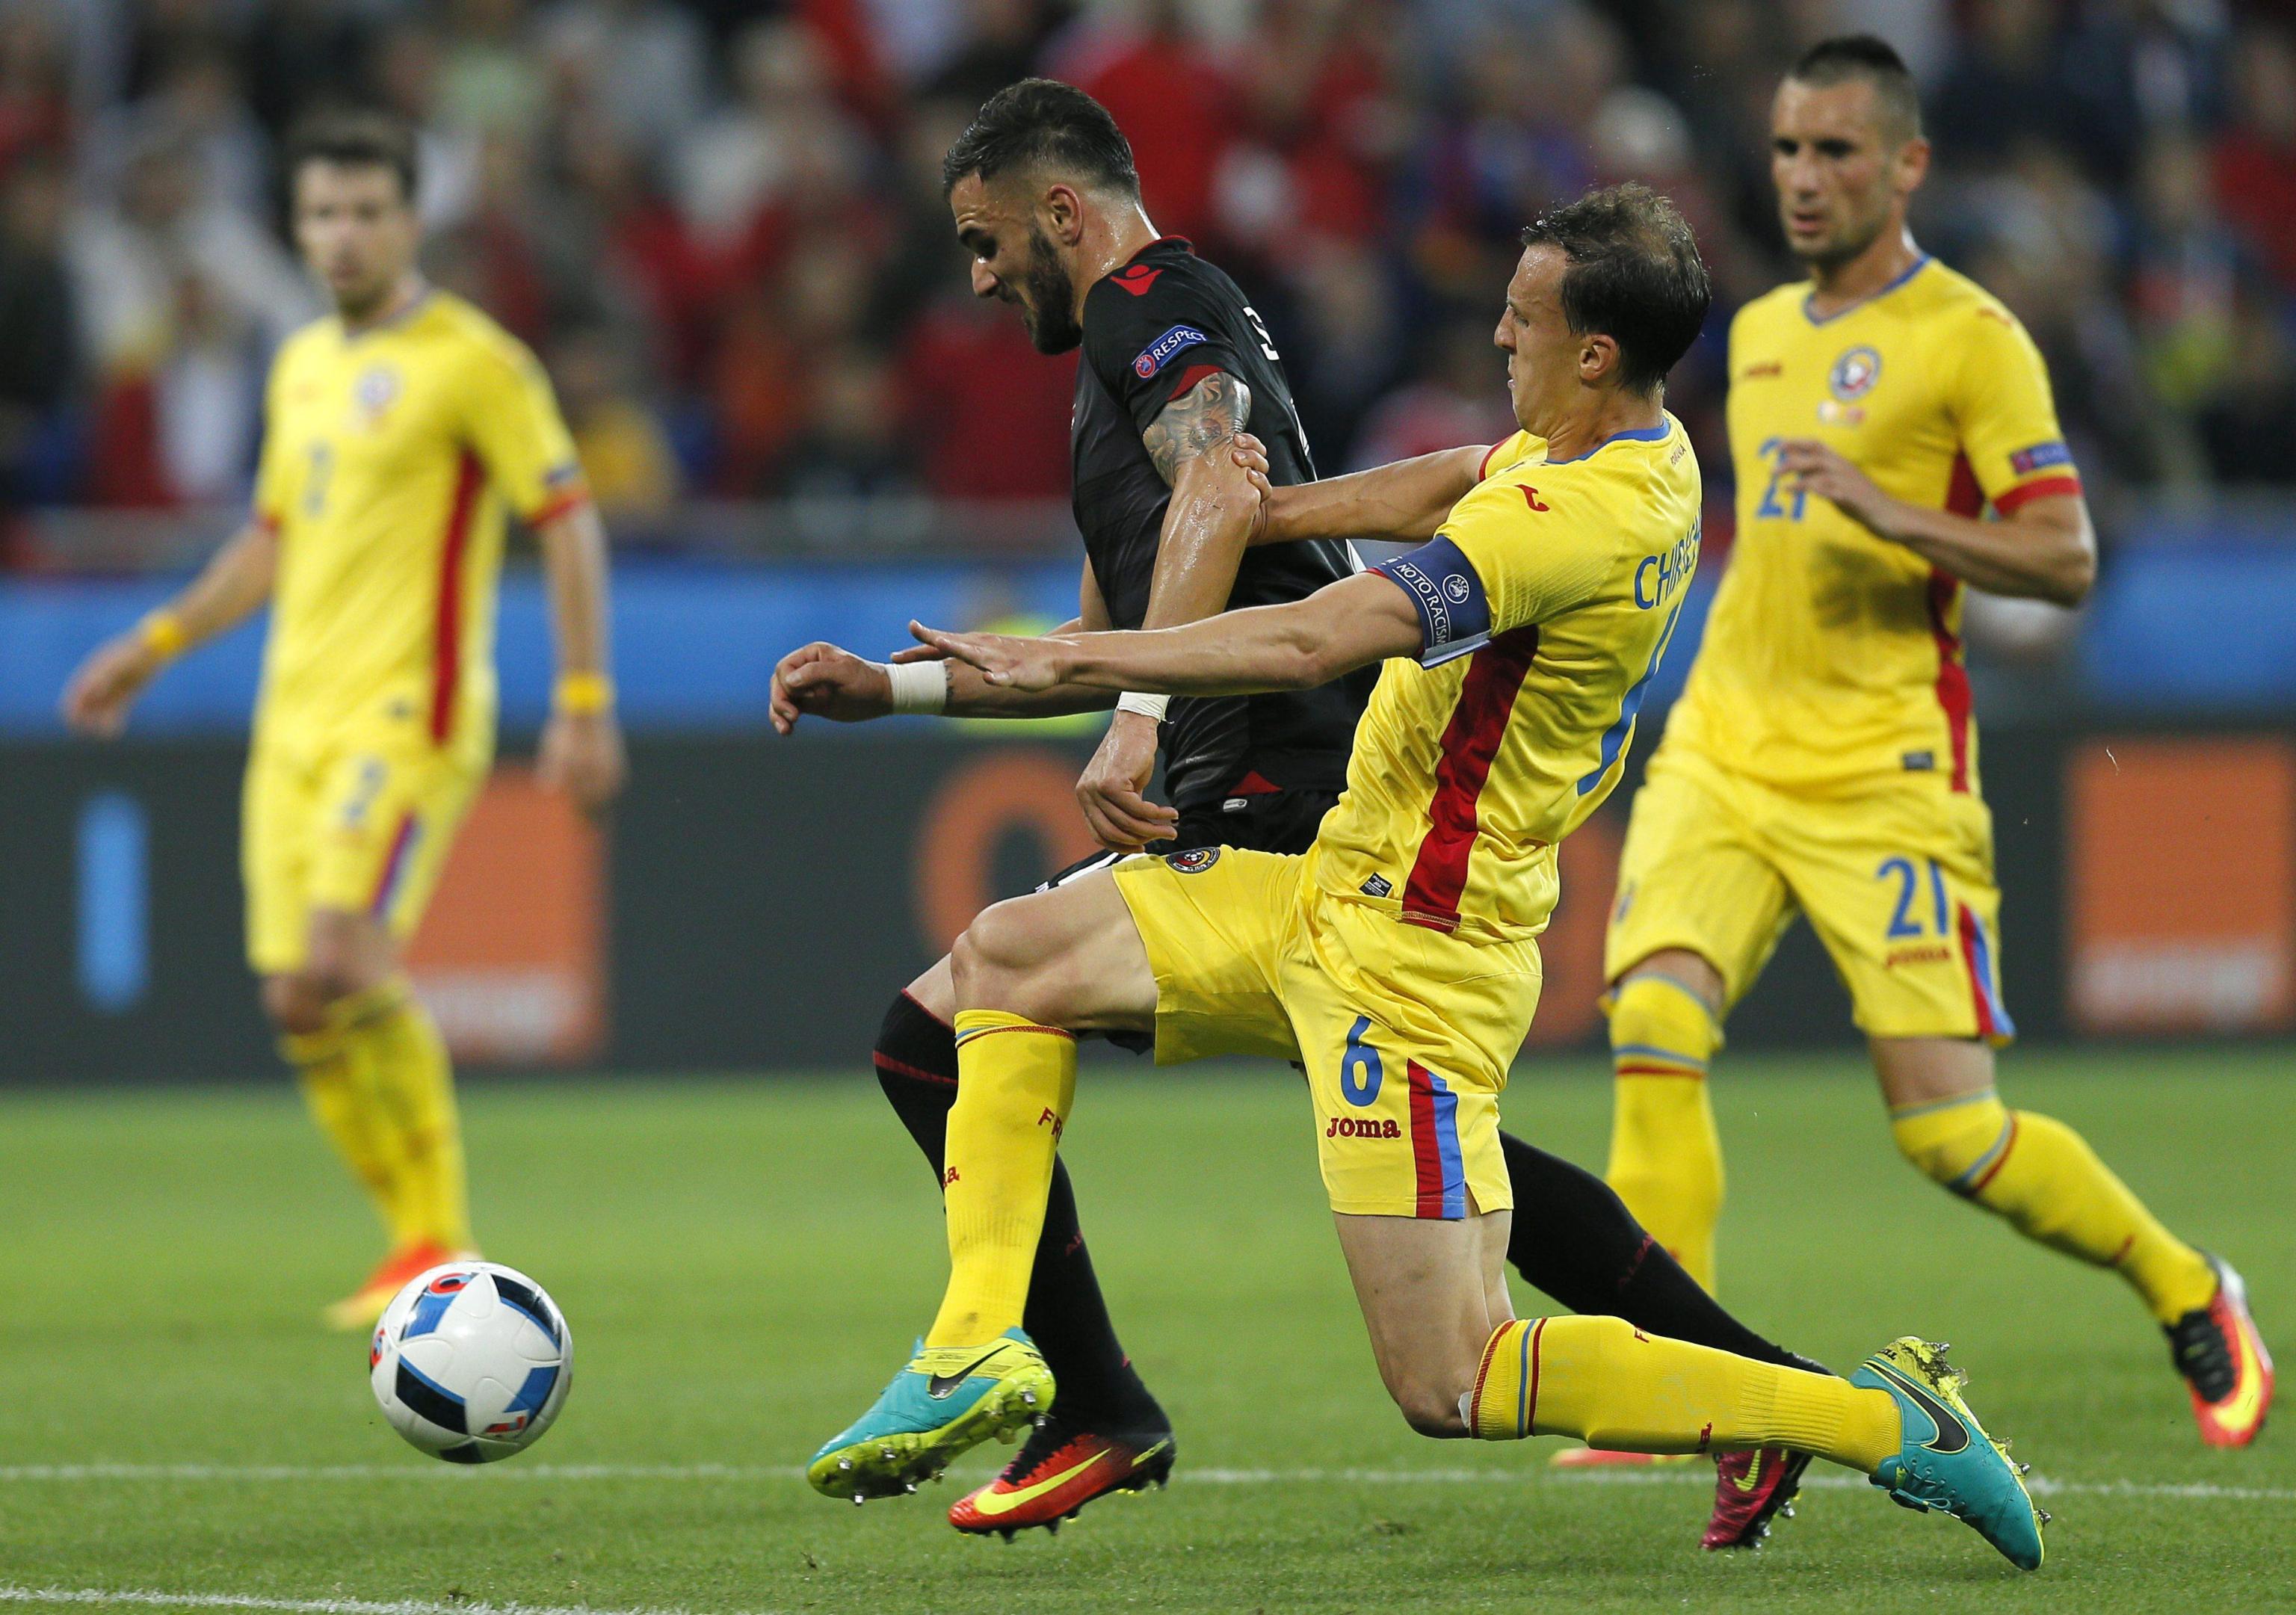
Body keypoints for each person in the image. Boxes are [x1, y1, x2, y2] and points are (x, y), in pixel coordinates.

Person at [807, 184, 2049, 1573]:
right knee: (1005, 958)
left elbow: (1314, 640)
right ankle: (980, 1343)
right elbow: (1460, 470)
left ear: (1593, 351)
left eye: (1521, 321)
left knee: (1452, 1378)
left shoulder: (1570, 522)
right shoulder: (1632, 446)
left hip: (1411, 956)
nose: (1497, 337)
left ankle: (1874, 1419)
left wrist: (1075, 659)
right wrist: (1274, 506)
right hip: (1323, 888)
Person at [1593, 34, 2272, 1466]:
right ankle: (1670, 1387)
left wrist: (1899, 513)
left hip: (1885, 769)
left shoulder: (1973, 338)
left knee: (1950, 1134)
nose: (1804, 176)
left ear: (1906, 164)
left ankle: (2185, 1282)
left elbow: (2067, 554)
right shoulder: (1758, 333)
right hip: (1724, 743)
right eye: (1788, 149)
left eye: (1836, 150)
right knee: (1654, 1019)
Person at [61, 112, 625, 1330]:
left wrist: (584, 701)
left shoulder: (476, 361)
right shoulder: (303, 362)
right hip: (294, 723)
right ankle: (404, 1237)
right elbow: (269, 541)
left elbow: (567, 518)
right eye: (324, 213)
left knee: (341, 957)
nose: (345, 234)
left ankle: (444, 1241)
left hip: (407, 712)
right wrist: (151, 645)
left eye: (369, 211)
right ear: (297, 226)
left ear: (410, 221)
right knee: (294, 996)